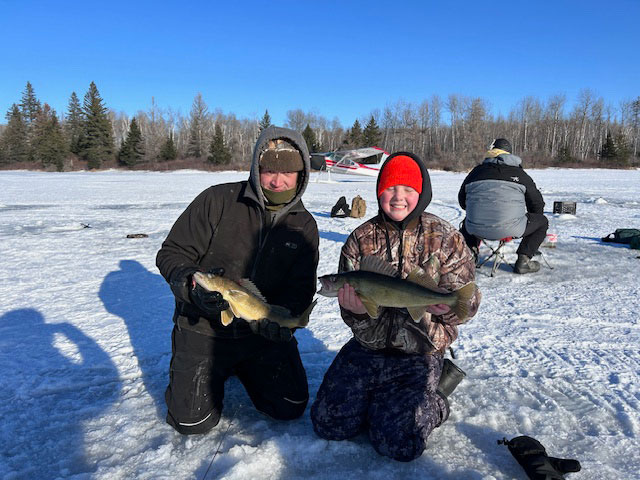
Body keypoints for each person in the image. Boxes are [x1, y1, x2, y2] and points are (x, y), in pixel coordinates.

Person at [310, 152, 481, 461]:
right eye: (390, 188)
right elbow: (353, 315)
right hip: (368, 349)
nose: (398, 197)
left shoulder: (446, 238)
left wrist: (451, 308)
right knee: (329, 424)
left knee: (399, 443)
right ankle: (377, 400)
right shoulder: (360, 239)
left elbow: (469, 301)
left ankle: (438, 396)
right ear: (378, 192)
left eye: (407, 189)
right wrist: (357, 312)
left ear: (421, 193)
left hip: (420, 351)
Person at [156, 126, 319, 435]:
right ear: (257, 168)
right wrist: (191, 287)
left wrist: (283, 319)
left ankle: (246, 368)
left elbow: (301, 286)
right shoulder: (217, 200)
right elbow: (172, 253)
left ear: (301, 175)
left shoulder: (304, 226)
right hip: (203, 330)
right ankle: (209, 370)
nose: (277, 180)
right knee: (192, 423)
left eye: (288, 173)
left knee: (289, 405)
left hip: (259, 335)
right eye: (269, 170)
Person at [458, 138, 548, 274]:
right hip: (511, 228)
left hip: (475, 228)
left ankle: (470, 255)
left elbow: (462, 201)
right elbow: (537, 204)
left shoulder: (475, 173)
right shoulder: (520, 174)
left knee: (467, 221)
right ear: (509, 154)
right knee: (542, 222)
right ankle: (524, 259)